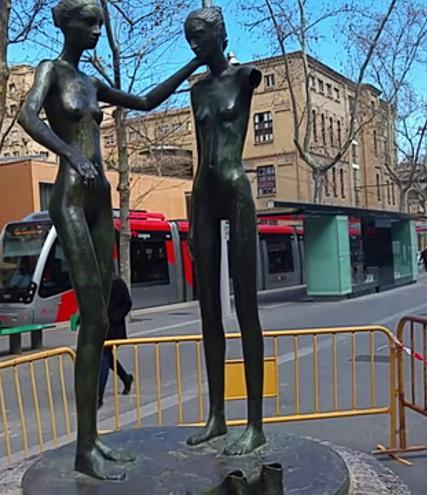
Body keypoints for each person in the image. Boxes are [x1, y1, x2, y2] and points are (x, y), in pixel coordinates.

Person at [18, 0, 203, 479]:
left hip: (100, 200)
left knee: (101, 320)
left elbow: (144, 103)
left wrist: (195, 63)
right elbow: (28, 117)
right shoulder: (51, 71)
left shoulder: (92, 83)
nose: (98, 30)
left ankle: (93, 442)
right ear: (69, 25)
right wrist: (69, 155)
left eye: (100, 23)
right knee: (93, 319)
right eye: (91, 23)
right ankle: (84, 448)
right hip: (72, 199)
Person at [184, 5, 266, 456]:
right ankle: (217, 414)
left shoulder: (245, 77)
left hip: (235, 190)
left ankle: (254, 423)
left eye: (200, 36)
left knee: (247, 309)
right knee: (208, 311)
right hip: (203, 193)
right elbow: (201, 149)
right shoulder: (197, 92)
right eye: (189, 39)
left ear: (220, 33)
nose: (195, 46)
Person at [98, 277, 134, 409]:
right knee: (107, 357)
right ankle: (126, 378)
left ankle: (98, 395)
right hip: (101, 328)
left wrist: (113, 318)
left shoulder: (116, 282)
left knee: (104, 357)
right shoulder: (97, 281)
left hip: (114, 329)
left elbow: (127, 303)